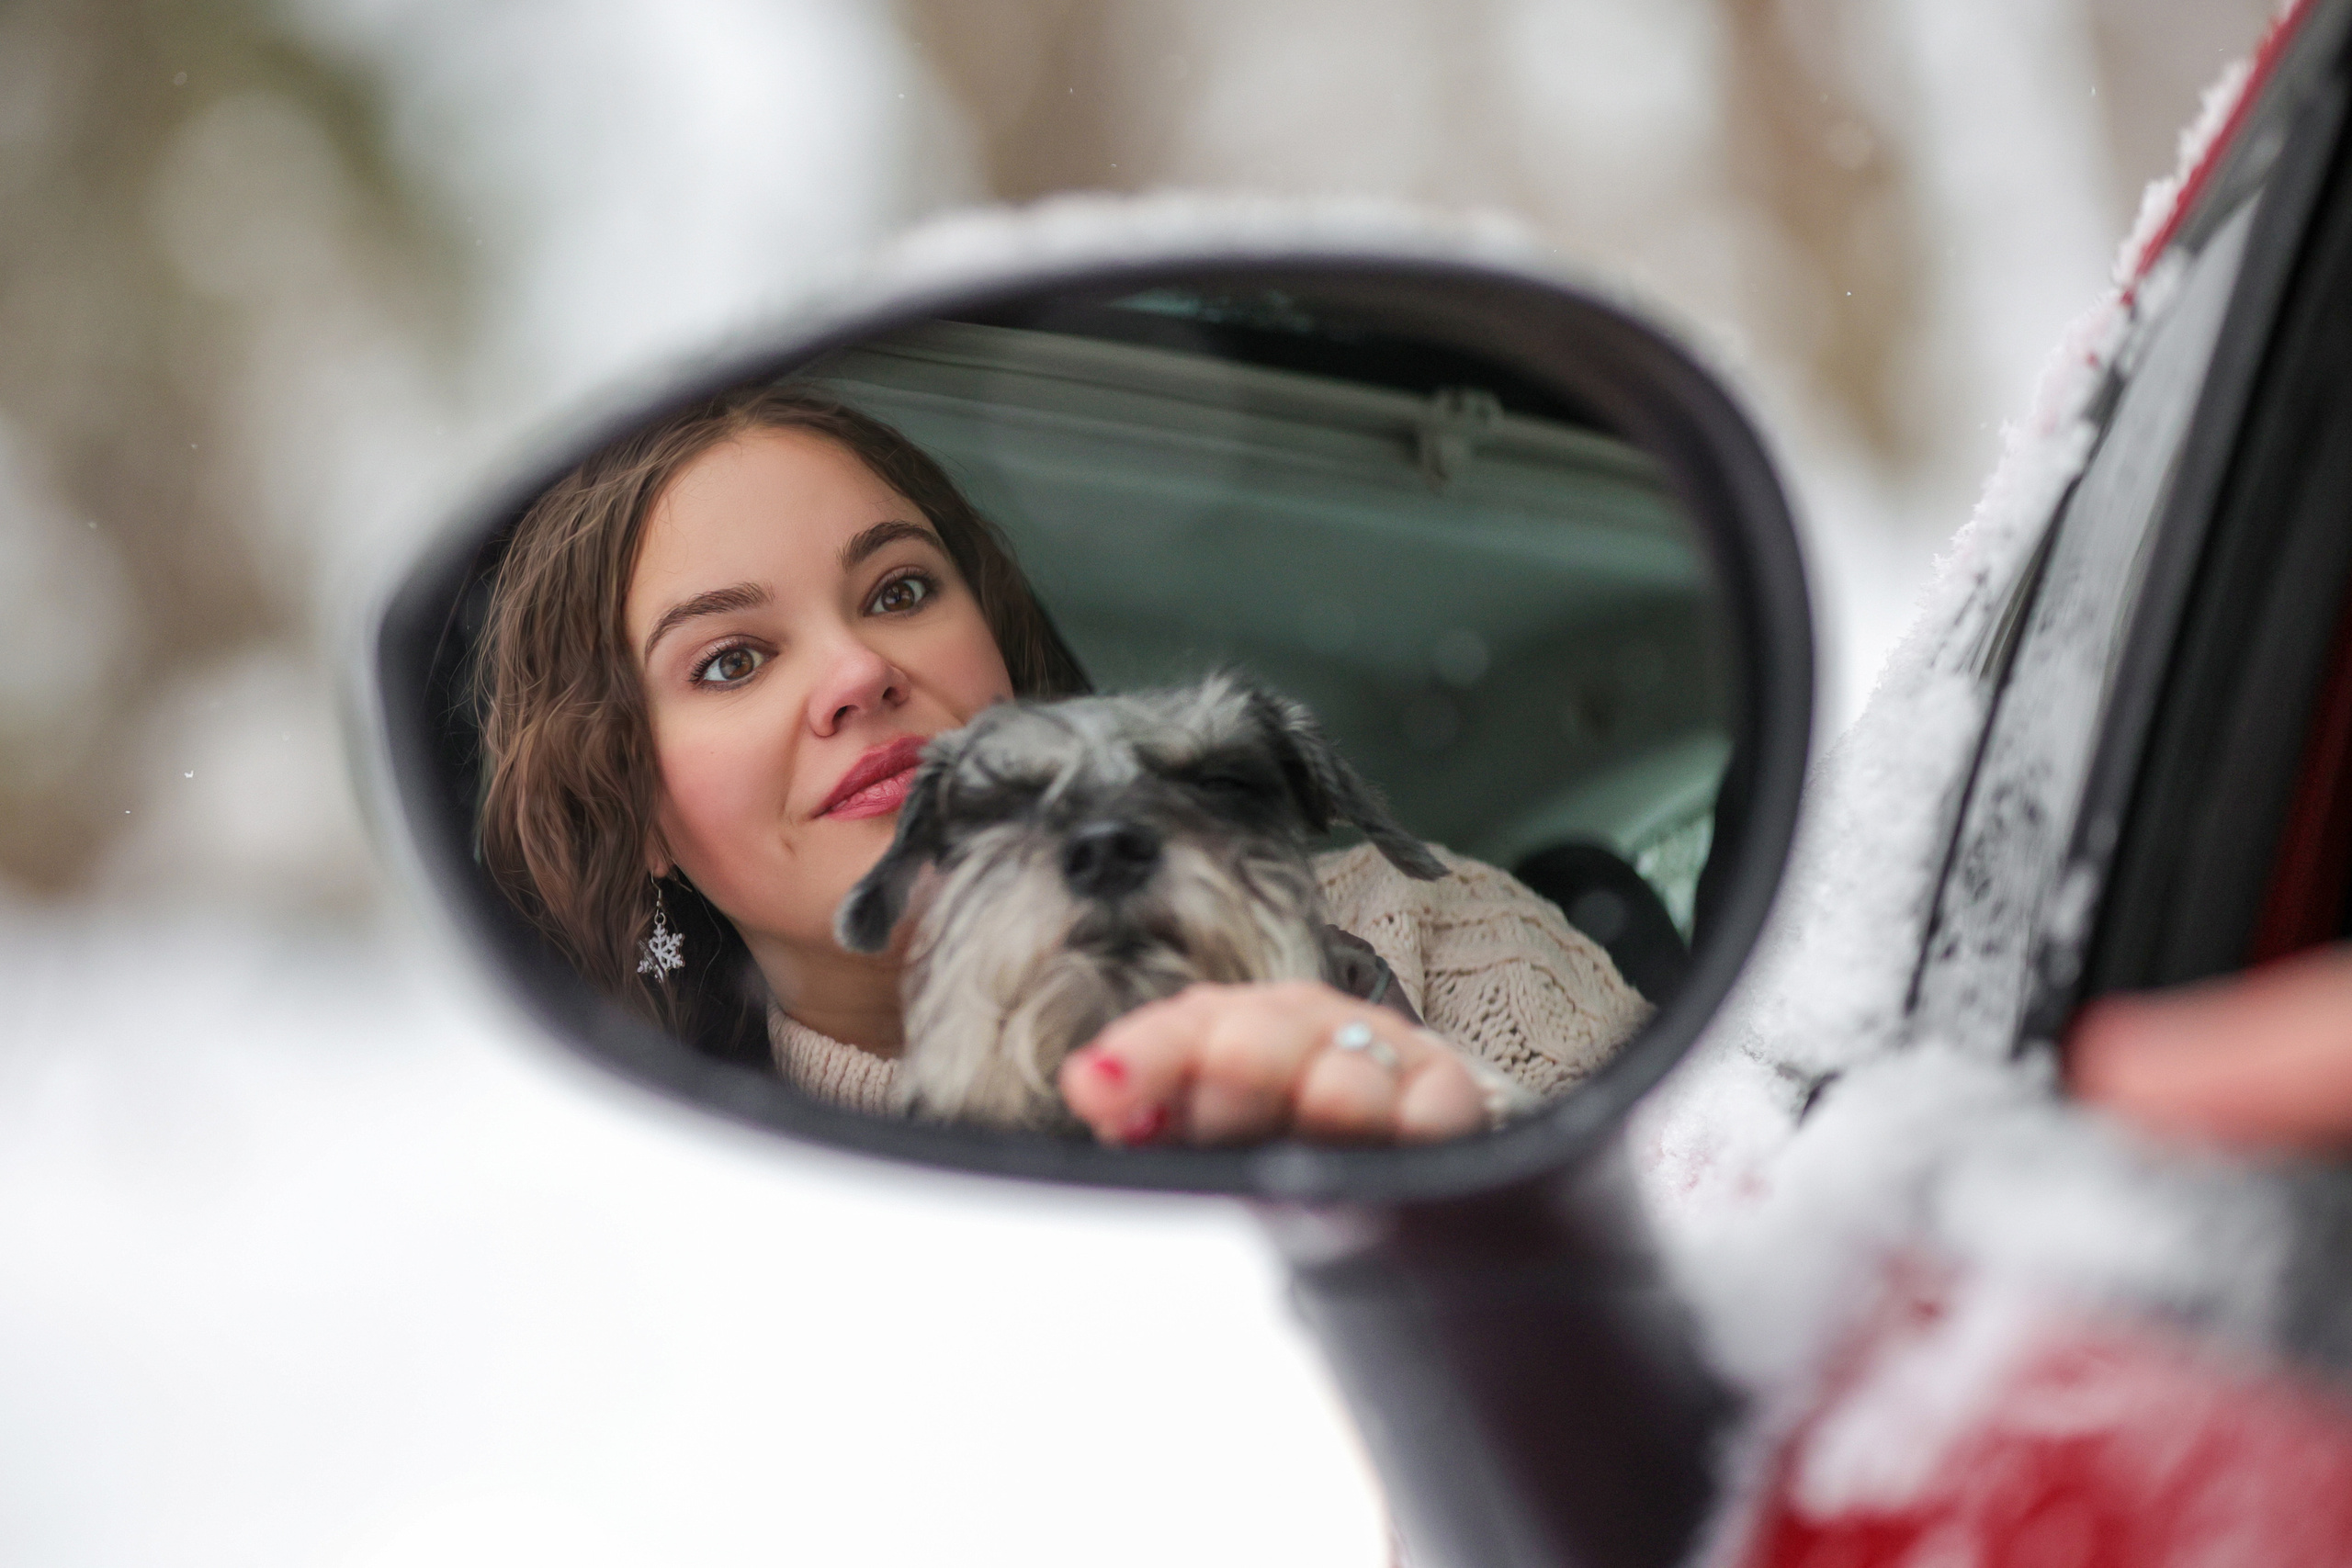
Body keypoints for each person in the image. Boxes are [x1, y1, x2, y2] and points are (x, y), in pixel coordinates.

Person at [472, 382, 1649, 1146]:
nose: (856, 672)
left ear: (998, 651)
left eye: (898, 590)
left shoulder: (1430, 941)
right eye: (731, 661)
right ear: (634, 813)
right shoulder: (686, 1187)